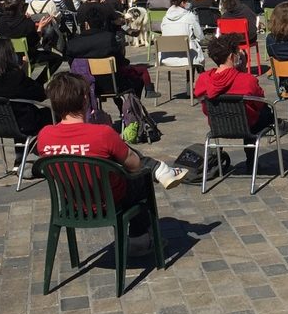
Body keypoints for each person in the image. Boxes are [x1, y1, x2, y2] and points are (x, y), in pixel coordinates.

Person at [36, 73, 186, 257]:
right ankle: (139, 240)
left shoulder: (44, 135)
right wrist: (107, 132)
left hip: (72, 204)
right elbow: (134, 165)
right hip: (109, 202)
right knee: (142, 177)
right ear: (85, 99)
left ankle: (159, 171)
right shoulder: (102, 133)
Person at [0, 39, 53, 140]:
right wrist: (23, 70)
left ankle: (21, 152)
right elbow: (40, 95)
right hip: (22, 125)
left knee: (17, 111)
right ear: (8, 56)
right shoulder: (14, 77)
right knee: (54, 113)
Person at [193, 35, 274, 133]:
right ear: (232, 56)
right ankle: (251, 143)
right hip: (248, 124)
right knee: (266, 111)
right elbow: (260, 103)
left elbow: (205, 108)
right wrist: (243, 68)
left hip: (218, 125)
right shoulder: (247, 80)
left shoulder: (203, 79)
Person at [159, 0, 205, 68]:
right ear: (182, 3)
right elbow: (200, 36)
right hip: (187, 58)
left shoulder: (164, 18)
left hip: (166, 58)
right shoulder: (190, 16)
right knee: (195, 45)